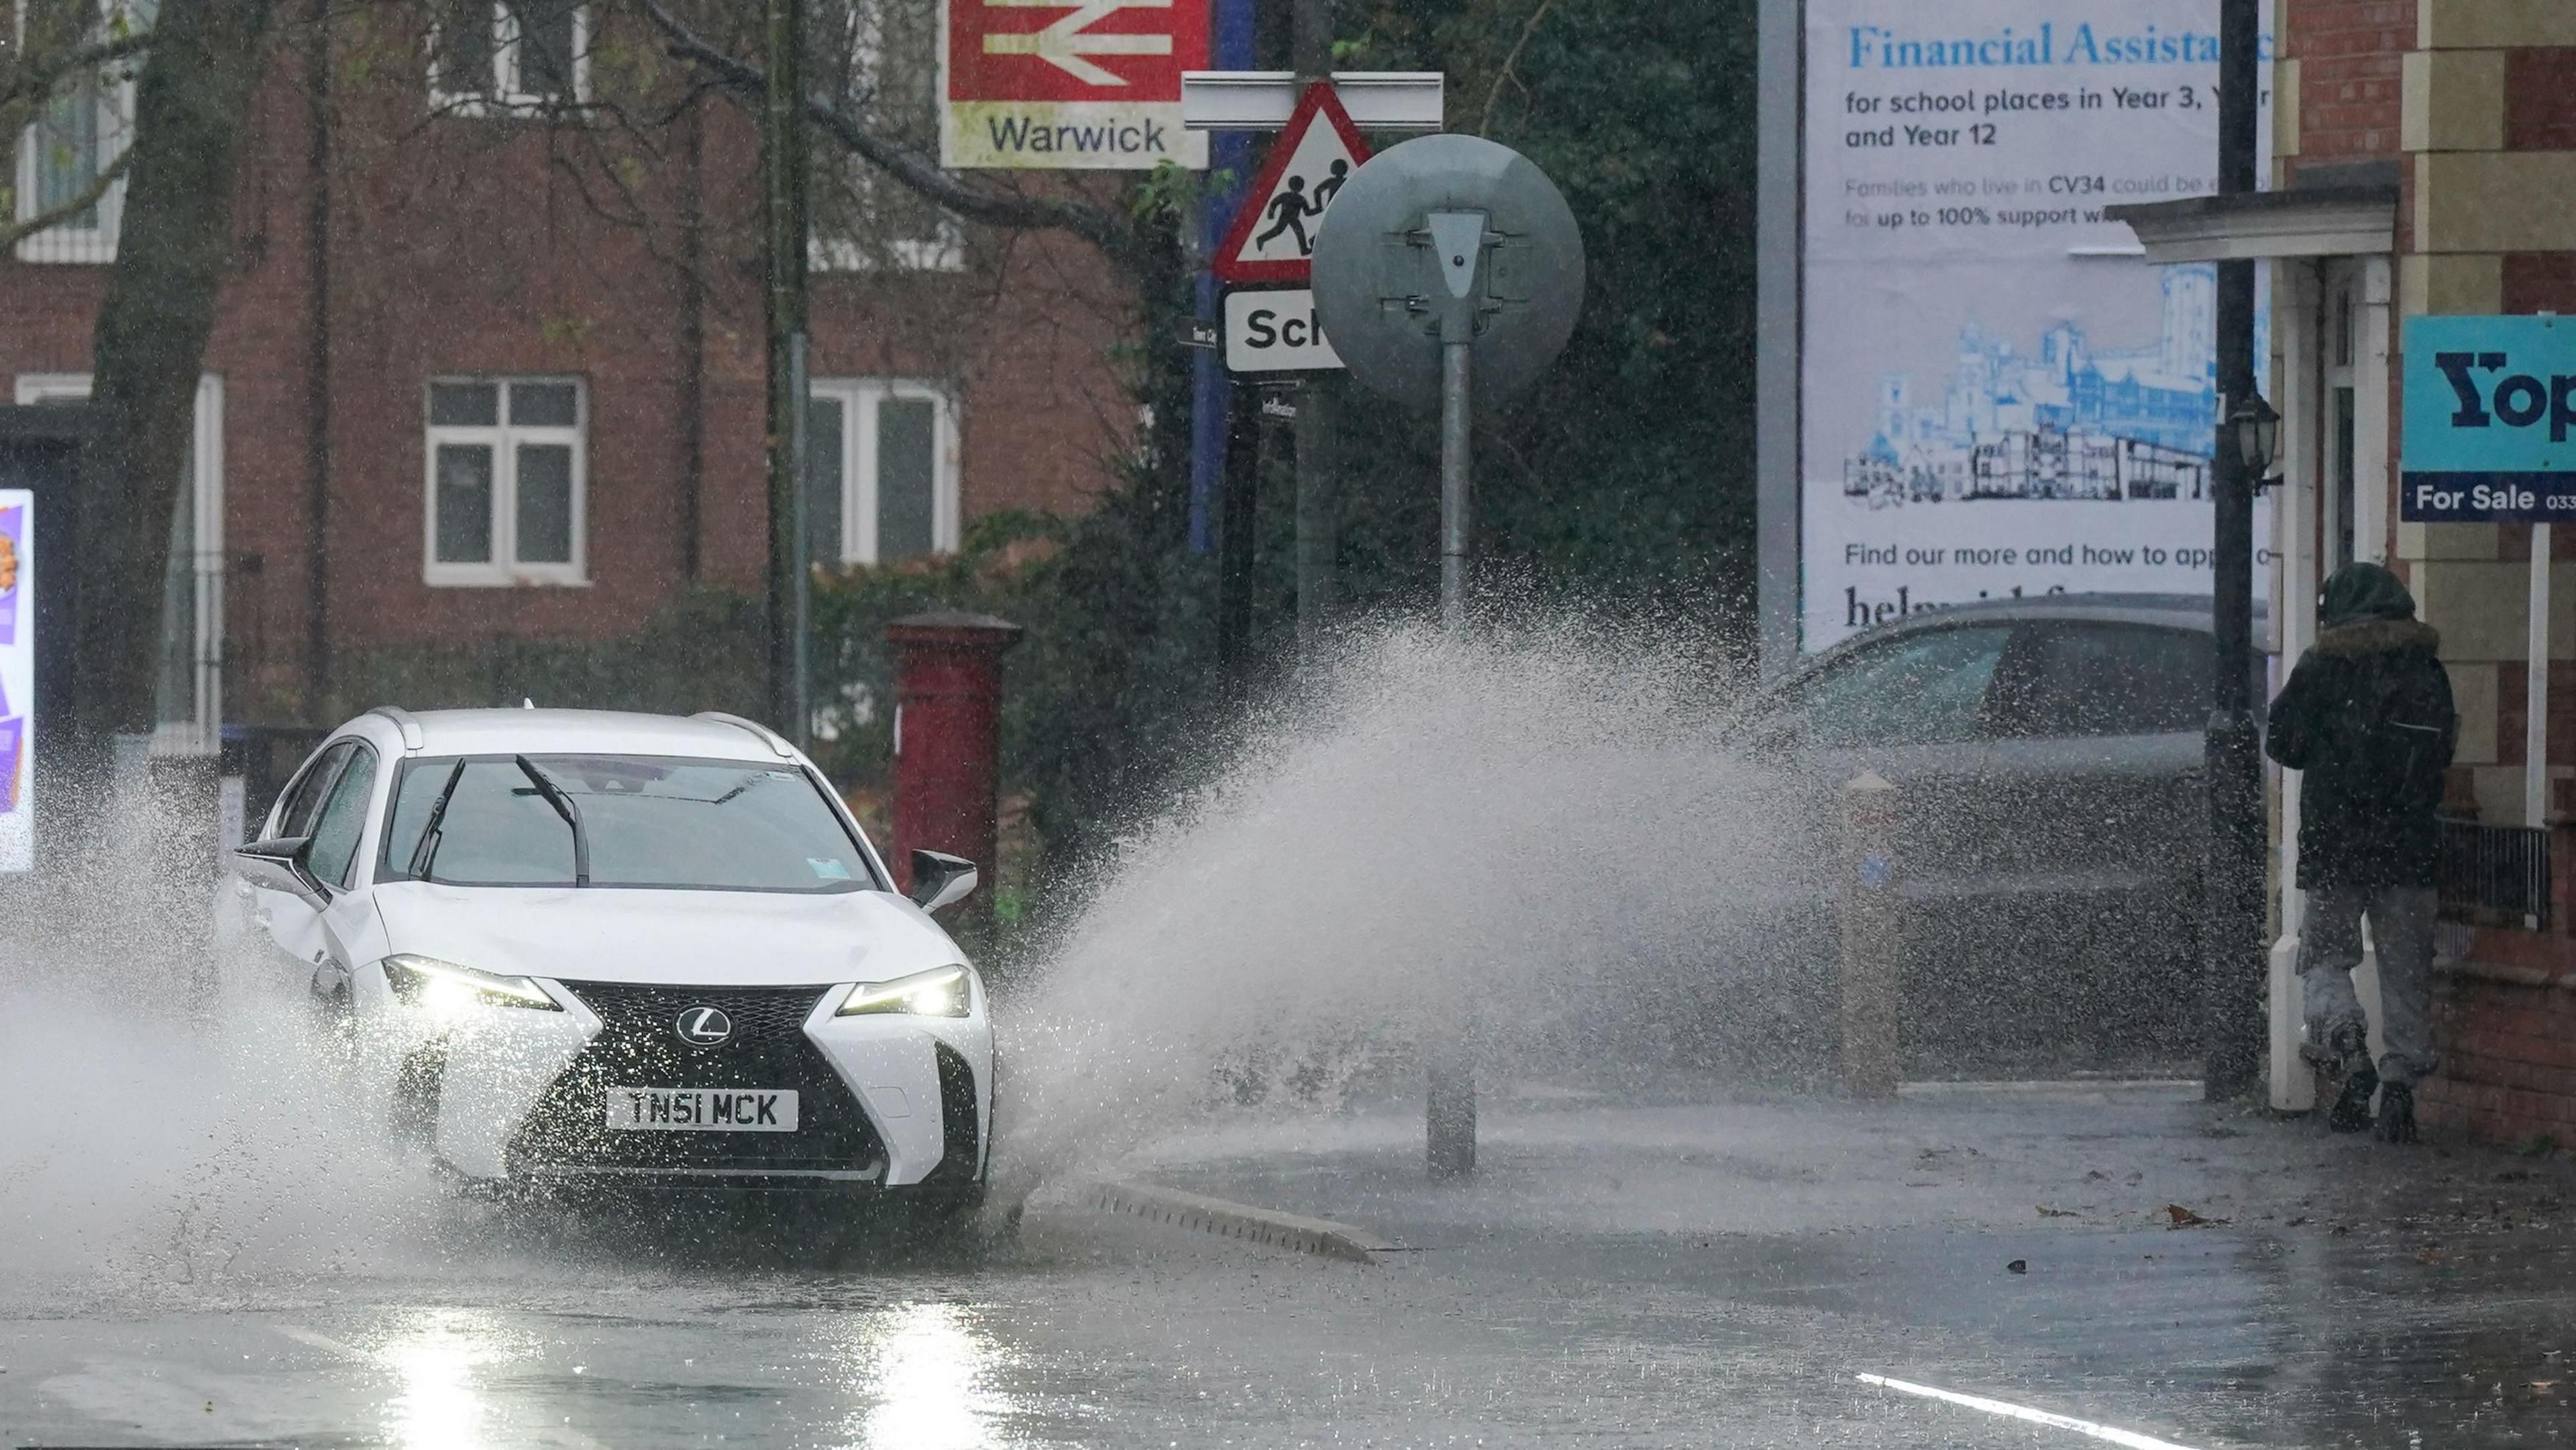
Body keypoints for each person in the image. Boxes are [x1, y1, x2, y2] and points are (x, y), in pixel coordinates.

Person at [2265, 561, 2457, 1142]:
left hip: (2335, 844)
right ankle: (2400, 1088)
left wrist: (2334, 755)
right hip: (2409, 846)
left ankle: (2349, 1049)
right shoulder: (2426, 670)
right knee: (2406, 972)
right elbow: (2444, 747)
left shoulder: (2323, 667)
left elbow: (2283, 741)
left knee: (2324, 958)